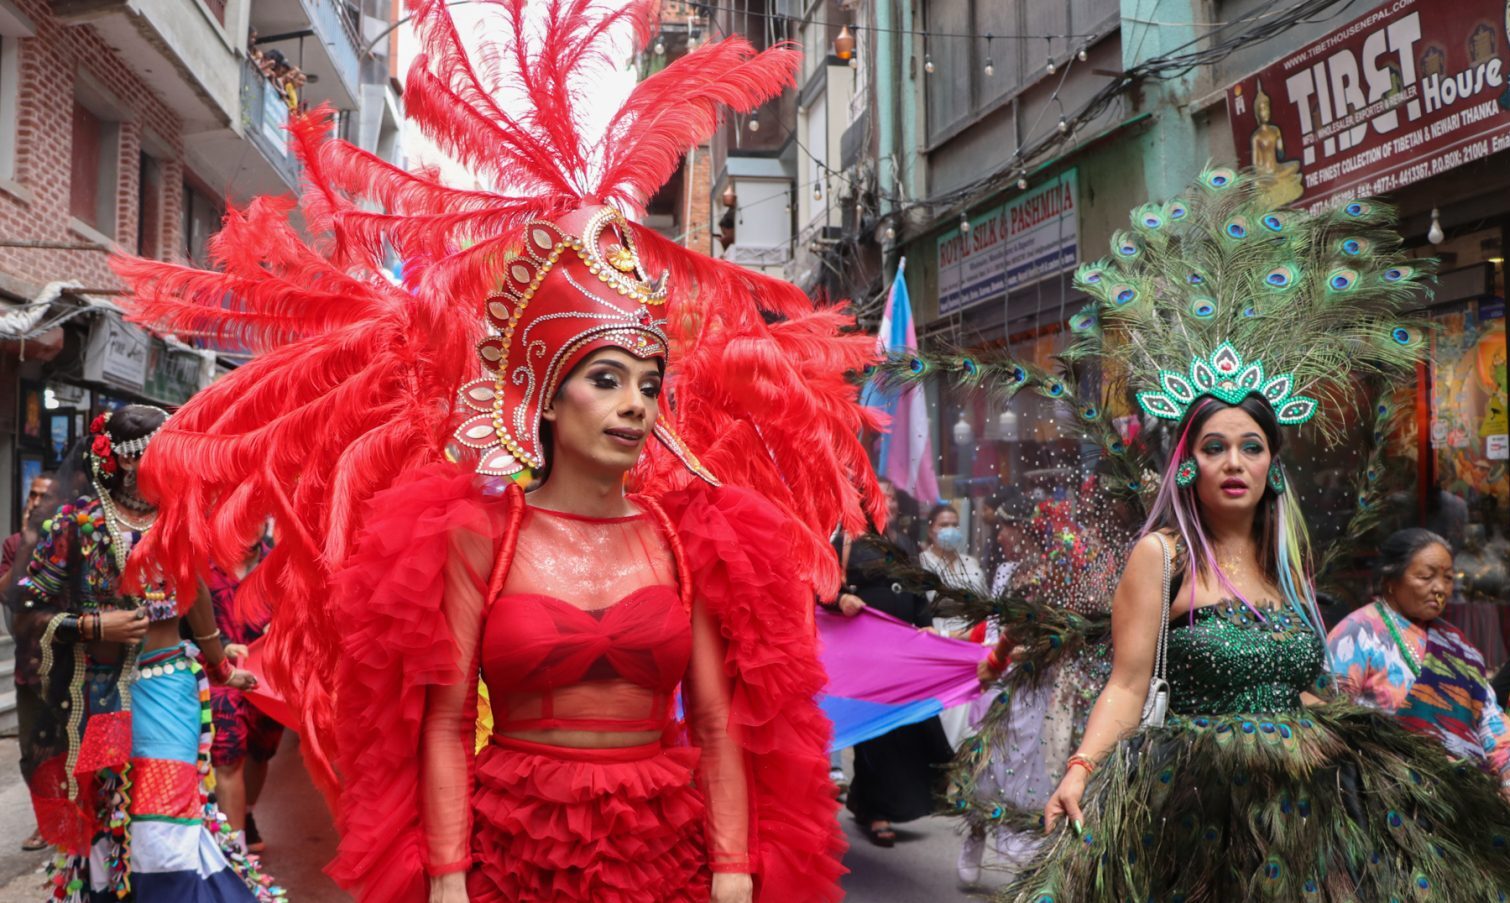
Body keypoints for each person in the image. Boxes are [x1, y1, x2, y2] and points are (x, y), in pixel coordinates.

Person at [112, 2, 884, 900]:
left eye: (648, 383)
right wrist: (445, 879)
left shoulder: (687, 538)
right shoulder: (481, 534)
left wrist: (732, 875)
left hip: (659, 852)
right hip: (512, 848)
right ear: (548, 400)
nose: (633, 405)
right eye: (605, 381)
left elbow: (716, 724)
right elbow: (441, 723)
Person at [988, 168, 1510, 900]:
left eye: (1252, 446)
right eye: (1214, 446)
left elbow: (1305, 687)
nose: (1234, 461)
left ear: (1273, 463)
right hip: (1196, 808)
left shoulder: (1288, 560)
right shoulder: (1160, 556)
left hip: (1298, 812)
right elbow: (1128, 684)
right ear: (1188, 464)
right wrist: (1080, 770)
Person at [3, 406, 279, 900]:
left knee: (162, 831)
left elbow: (192, 591)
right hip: (101, 694)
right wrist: (94, 624)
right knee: (112, 825)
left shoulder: (179, 519)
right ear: (128, 461)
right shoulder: (77, 522)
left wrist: (219, 665)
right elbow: (27, 609)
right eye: (163, 452)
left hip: (170, 684)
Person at [1327, 529, 1510, 791]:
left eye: (1448, 578)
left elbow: (1490, 721)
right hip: (1386, 797)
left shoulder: (1460, 647)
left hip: (1466, 800)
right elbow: (1328, 716)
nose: (1440, 589)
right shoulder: (1358, 632)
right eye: (1426, 577)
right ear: (1391, 579)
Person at [829, 479, 953, 848]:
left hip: (902, 655)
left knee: (909, 725)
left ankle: (866, 801)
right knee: (876, 734)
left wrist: (927, 625)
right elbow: (821, 586)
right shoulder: (843, 541)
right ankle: (878, 810)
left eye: (892, 497)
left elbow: (917, 594)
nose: (887, 503)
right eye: (879, 496)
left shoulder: (904, 543)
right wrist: (840, 600)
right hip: (862, 656)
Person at [202, 534, 285, 852]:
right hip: (219, 675)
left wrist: (283, 625)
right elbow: (183, 619)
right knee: (228, 757)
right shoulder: (203, 559)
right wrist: (220, 648)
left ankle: (245, 816)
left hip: (267, 675)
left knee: (262, 750)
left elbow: (302, 605)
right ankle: (235, 852)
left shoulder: (276, 558)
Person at [3, 469, 54, 852]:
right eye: (31, 496)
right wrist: (28, 545)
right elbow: (6, 595)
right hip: (28, 672)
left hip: (71, 668)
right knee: (32, 754)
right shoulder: (13, 544)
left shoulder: (75, 541)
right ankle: (47, 825)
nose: (34, 503)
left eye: (42, 497)